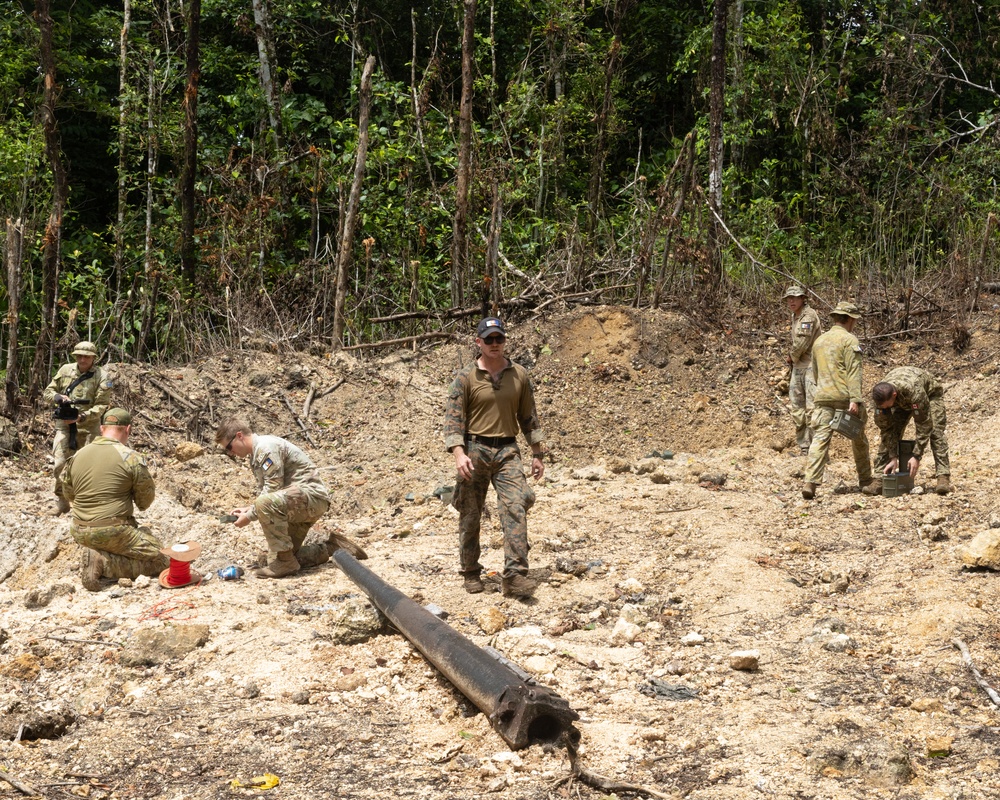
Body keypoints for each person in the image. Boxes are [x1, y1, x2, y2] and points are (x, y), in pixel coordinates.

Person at [443, 317, 546, 599]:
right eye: (488, 339)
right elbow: (453, 422)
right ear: (478, 342)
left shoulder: (519, 375)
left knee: (516, 506)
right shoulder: (465, 378)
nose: (494, 344)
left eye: (498, 338)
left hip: (508, 450)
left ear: (504, 341)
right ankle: (470, 571)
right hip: (475, 450)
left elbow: (529, 416)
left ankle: (514, 575)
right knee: (470, 512)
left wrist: (537, 453)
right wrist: (459, 453)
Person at [215, 418, 365, 579]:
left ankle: (285, 563)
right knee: (272, 559)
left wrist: (250, 516)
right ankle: (332, 548)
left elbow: (272, 488)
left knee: (281, 554)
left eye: (229, 447)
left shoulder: (266, 448)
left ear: (239, 436)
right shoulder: (256, 454)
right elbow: (269, 491)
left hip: (310, 498)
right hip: (296, 503)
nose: (231, 453)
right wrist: (249, 509)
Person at [61, 408, 170, 591]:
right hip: (114, 531)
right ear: (128, 430)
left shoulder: (77, 455)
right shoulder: (130, 458)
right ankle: (105, 563)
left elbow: (69, 494)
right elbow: (144, 502)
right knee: (167, 559)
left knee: (123, 539)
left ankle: (98, 555)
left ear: (102, 428)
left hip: (79, 530)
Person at [801, 301, 874, 500]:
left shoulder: (819, 341)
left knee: (819, 440)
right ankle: (866, 479)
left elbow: (815, 373)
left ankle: (810, 483)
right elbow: (854, 372)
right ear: (850, 319)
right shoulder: (849, 340)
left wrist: (823, 391)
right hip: (844, 397)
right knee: (858, 439)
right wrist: (855, 399)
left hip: (823, 397)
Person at [43, 341, 112, 516]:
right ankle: (62, 501)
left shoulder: (102, 376)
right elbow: (47, 392)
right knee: (59, 464)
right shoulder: (66, 370)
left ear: (93, 358)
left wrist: (83, 416)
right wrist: (58, 397)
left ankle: (88, 504)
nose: (82, 359)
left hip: (89, 428)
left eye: (86, 356)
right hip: (64, 427)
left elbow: (102, 405)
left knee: (90, 467)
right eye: (79, 356)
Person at [866, 367, 951, 495]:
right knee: (891, 431)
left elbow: (924, 424)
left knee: (936, 432)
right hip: (901, 400)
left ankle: (943, 477)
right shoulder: (881, 399)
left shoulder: (914, 391)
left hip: (930, 395)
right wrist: (893, 456)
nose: (884, 408)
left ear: (894, 395)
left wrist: (916, 455)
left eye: (887, 406)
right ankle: (880, 478)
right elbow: (886, 429)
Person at [783, 285, 822, 455]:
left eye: (795, 297)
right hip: (799, 367)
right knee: (797, 409)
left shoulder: (808, 316)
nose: (791, 301)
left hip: (810, 367)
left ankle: (816, 450)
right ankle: (804, 447)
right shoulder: (795, 316)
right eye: (789, 298)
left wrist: (792, 356)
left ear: (803, 299)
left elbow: (801, 343)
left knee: (812, 409)